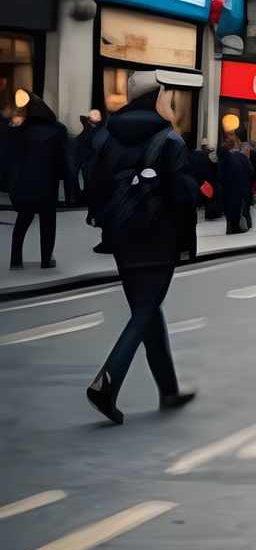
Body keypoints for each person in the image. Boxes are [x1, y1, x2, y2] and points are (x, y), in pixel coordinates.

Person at [83, 68, 202, 425]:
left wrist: (108, 224)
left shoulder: (105, 136)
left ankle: (168, 390)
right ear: (158, 97)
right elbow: (181, 198)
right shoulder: (169, 140)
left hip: (121, 237)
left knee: (147, 309)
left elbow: (92, 184)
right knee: (146, 308)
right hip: (158, 236)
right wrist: (186, 245)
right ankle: (107, 381)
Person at [4, 95, 72, 270]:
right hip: (48, 186)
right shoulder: (59, 129)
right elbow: (68, 161)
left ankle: (16, 260)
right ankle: (46, 261)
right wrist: (75, 189)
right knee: (48, 224)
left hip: (25, 185)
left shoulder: (19, 129)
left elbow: (9, 158)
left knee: (22, 222)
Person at [218, 133, 253, 233]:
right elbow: (250, 172)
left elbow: (220, 174)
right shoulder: (241, 157)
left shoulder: (225, 158)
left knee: (230, 210)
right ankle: (236, 227)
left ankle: (231, 228)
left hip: (229, 189)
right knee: (238, 209)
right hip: (240, 188)